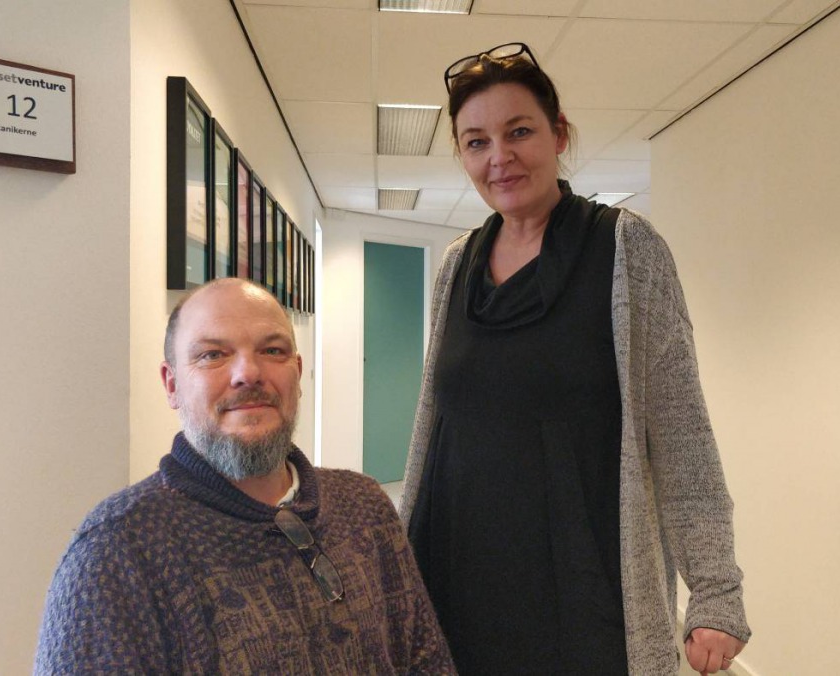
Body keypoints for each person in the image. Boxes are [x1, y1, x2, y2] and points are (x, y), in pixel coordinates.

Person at [398, 43, 750, 676]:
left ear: (560, 135)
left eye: (519, 132)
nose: (498, 158)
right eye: (476, 142)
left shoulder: (624, 249)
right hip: (452, 572)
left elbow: (680, 432)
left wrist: (715, 591)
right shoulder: (456, 266)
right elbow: (434, 421)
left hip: (580, 588)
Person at [36, 278, 454, 674]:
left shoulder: (364, 505)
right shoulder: (117, 552)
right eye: (213, 355)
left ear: (298, 371)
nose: (248, 373)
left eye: (272, 351)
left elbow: (426, 658)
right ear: (172, 384)